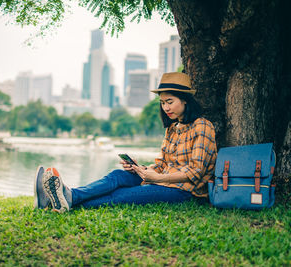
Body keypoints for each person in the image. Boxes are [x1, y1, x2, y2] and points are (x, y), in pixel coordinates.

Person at [34, 72, 217, 213]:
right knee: (117, 176)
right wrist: (142, 169)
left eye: (170, 101)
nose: (166, 107)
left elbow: (196, 171)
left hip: (184, 192)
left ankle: (58, 200)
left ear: (185, 100)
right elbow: (162, 165)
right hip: (161, 181)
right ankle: (68, 196)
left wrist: (158, 178)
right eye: (162, 103)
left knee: (121, 195)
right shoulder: (171, 129)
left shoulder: (202, 126)